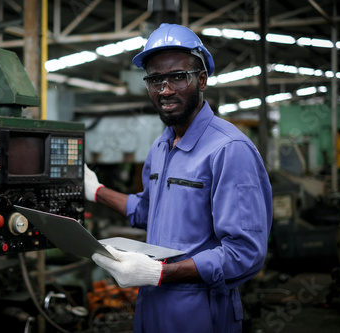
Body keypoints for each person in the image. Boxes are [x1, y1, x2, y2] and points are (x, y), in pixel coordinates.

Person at [85, 23, 272, 333]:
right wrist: (95, 190)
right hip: (151, 308)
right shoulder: (161, 145)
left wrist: (159, 274)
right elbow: (148, 211)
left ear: (201, 80)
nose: (165, 90)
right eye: (155, 79)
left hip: (201, 313)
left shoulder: (229, 150)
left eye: (177, 77)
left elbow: (245, 253)